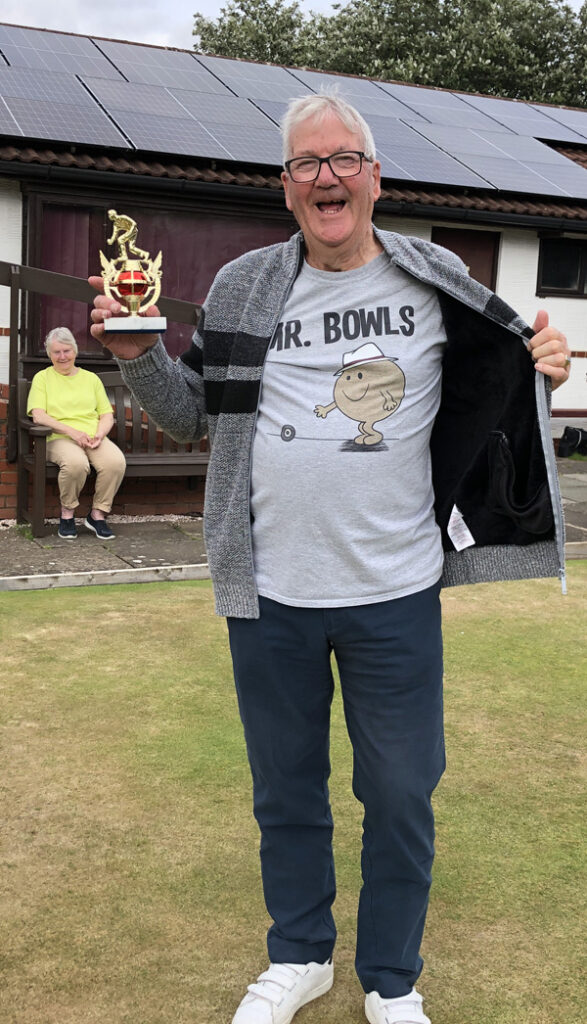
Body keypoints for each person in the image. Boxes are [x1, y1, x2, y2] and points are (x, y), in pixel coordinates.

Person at [89, 94, 570, 1024]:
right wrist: (132, 353)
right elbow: (192, 413)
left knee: (398, 792)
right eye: (306, 164)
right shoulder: (241, 287)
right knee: (286, 791)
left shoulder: (435, 278)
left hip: (394, 590)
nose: (326, 177)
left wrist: (544, 358)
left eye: (344, 158)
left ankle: (391, 979)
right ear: (285, 187)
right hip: (269, 588)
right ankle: (300, 956)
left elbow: (513, 359)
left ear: (375, 177)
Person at [27, 326, 126, 540]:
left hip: (91, 437)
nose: (62, 356)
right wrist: (73, 432)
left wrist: (100, 434)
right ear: (49, 354)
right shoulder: (42, 378)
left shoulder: (91, 379)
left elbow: (107, 415)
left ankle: (97, 515)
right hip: (56, 438)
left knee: (115, 462)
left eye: (66, 351)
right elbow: (39, 416)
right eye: (57, 352)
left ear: (75, 350)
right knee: (75, 464)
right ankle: (67, 514)